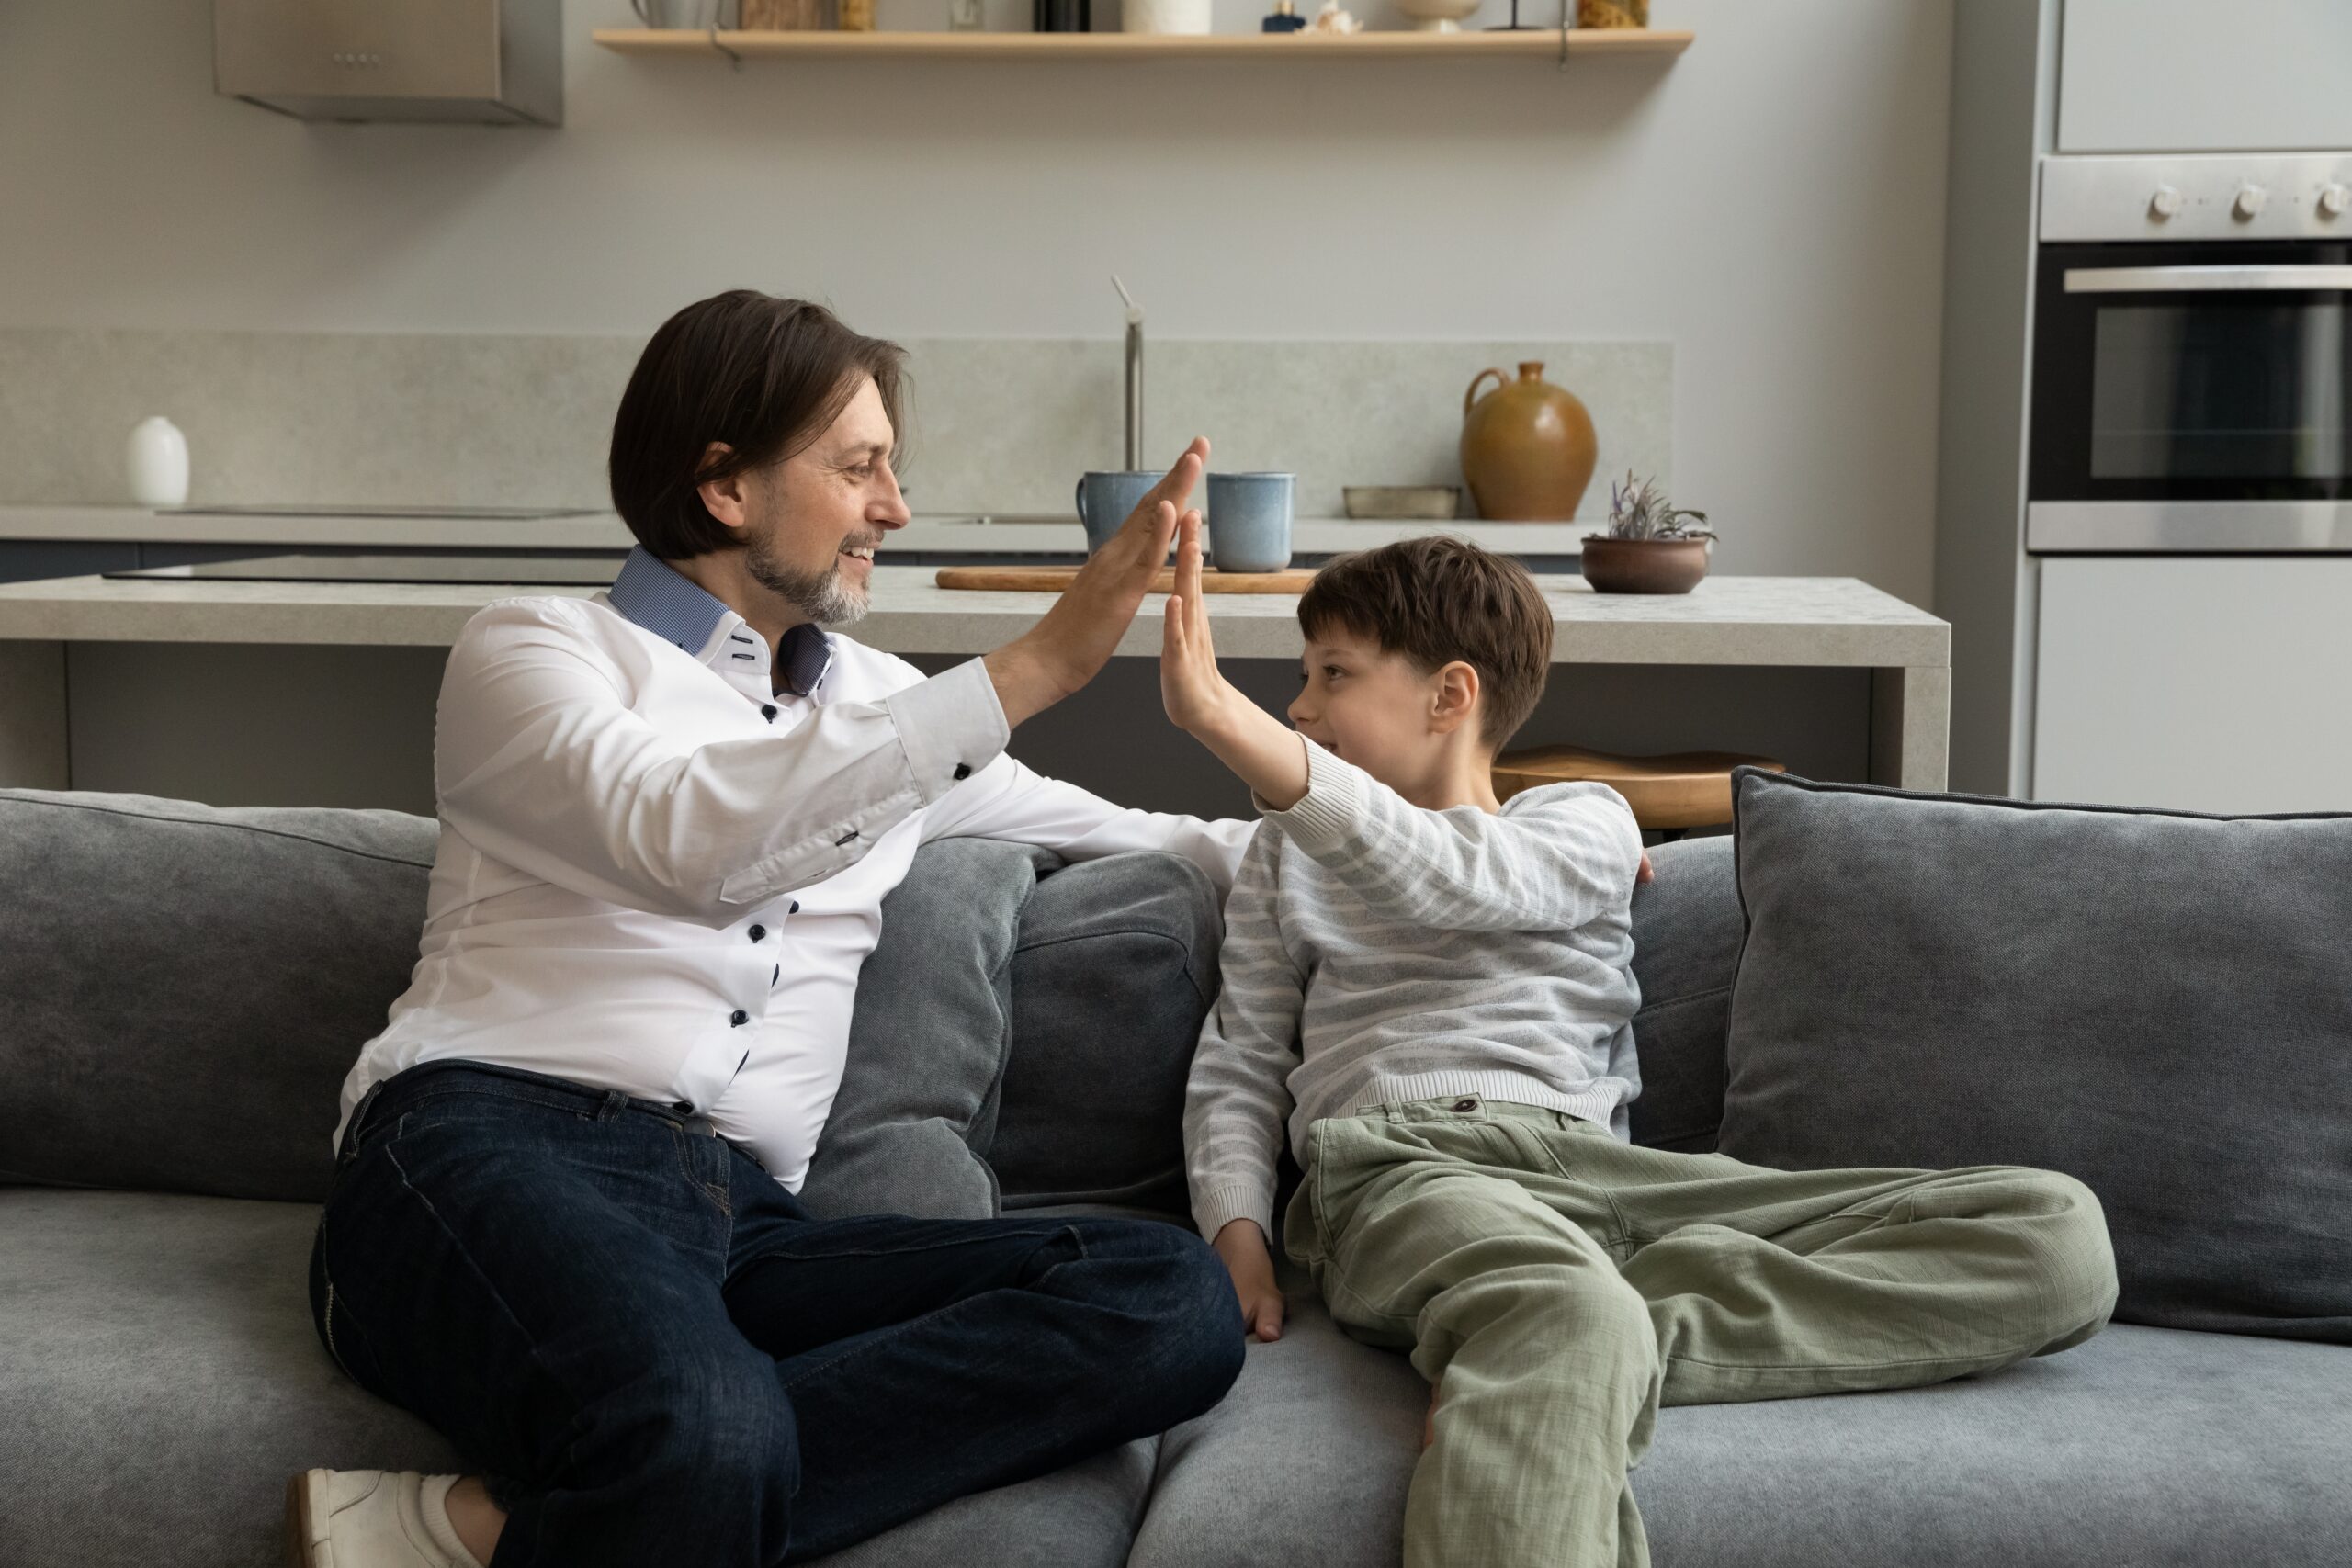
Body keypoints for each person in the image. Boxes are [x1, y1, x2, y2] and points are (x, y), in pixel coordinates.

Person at [290, 291, 1258, 1568]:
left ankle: (486, 1524)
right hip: (482, 1150)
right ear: (725, 486)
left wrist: (1503, 847)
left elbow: (1168, 837)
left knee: (1171, 1300)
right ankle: (676, 1457)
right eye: (859, 467)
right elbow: (693, 841)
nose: (895, 509)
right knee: (708, 1420)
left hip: (742, 1220)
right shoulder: (537, 652)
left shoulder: (887, 707)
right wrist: (1036, 666)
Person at [1159, 527, 2120, 1568]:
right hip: (1407, 1166)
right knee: (1567, 1310)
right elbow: (1243, 1056)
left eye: (1331, 675)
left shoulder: (1584, 823)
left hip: (1609, 1177)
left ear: (1450, 695)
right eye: (1298, 683)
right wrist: (1238, 1227)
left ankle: (1550, 1349)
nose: (1299, 708)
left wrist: (1229, 725)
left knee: (2055, 1235)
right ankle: (1557, 1335)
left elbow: (1454, 877)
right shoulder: (1281, 857)